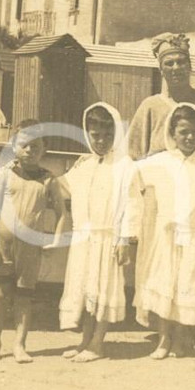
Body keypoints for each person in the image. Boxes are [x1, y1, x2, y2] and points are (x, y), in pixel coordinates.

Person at [119, 104, 195, 360]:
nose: (189, 137)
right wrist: (132, 229)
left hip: (193, 239)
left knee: (186, 287)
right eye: (183, 132)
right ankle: (164, 339)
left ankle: (179, 339)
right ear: (172, 133)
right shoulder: (157, 163)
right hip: (163, 239)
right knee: (164, 286)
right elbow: (130, 180)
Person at [51, 104, 135, 362]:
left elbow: (133, 204)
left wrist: (124, 238)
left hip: (108, 238)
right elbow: (60, 186)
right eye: (95, 135)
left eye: (108, 135)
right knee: (87, 290)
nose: (101, 141)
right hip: (84, 239)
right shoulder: (85, 164)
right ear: (87, 134)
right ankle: (85, 341)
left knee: (102, 291)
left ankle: (98, 343)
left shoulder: (124, 165)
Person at [0, 119, 66, 366]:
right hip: (4, 247)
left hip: (30, 249)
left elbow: (62, 214)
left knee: (24, 298)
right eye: (24, 145)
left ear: (44, 149)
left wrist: (55, 239)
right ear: (14, 146)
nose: (29, 150)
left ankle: (19, 345)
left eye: (36, 146)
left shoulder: (48, 180)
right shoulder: (4, 174)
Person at [128, 33, 195, 160]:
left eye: (181, 62)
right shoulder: (150, 107)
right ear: (161, 70)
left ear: (190, 66)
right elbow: (133, 156)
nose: (176, 68)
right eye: (169, 63)